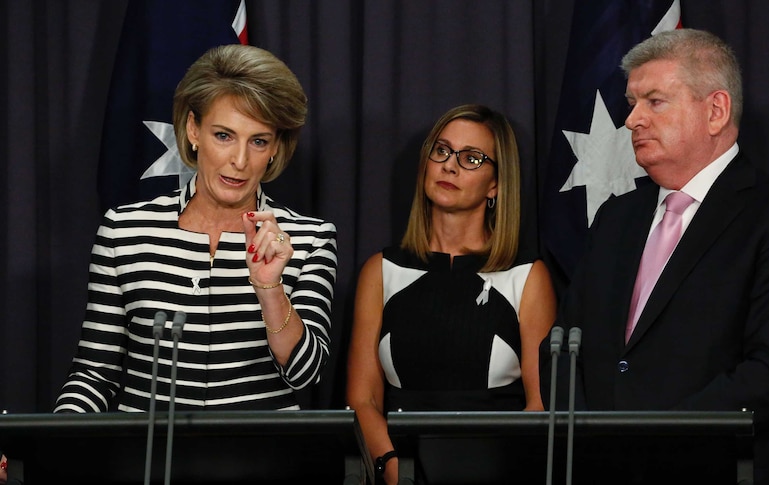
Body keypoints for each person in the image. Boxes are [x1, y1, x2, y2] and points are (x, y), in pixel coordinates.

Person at [542, 29, 769, 484]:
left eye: (653, 101)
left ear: (715, 110)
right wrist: (591, 445)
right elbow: (562, 348)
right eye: (631, 103)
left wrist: (647, 442)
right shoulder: (616, 217)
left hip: (713, 469)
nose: (632, 120)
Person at [54, 44, 337, 412]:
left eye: (258, 141)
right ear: (193, 129)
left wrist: (269, 288)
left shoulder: (308, 239)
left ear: (275, 149)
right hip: (148, 461)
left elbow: (305, 373)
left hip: (264, 459)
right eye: (224, 135)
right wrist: (59, 444)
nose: (239, 160)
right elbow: (95, 374)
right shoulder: (124, 230)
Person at [346, 104, 557, 484]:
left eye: (472, 158)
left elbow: (539, 406)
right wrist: (394, 470)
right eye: (441, 151)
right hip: (402, 473)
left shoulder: (526, 276)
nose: (450, 166)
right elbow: (363, 400)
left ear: (496, 184)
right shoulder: (381, 271)